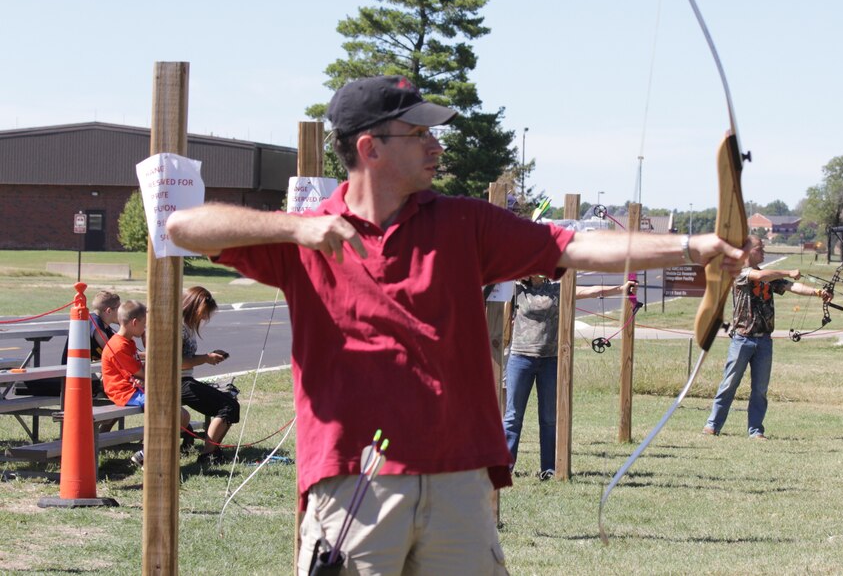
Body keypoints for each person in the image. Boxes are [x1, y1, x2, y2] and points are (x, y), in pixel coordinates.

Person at [167, 74, 747, 575]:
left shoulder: (464, 223)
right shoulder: (307, 236)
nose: (435, 144)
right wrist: (295, 229)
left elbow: (576, 247)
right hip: (355, 480)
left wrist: (694, 245)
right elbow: (184, 227)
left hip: (459, 477)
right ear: (370, 147)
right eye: (418, 133)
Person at [504, 275, 637, 481]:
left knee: (549, 418)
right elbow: (492, 280)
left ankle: (548, 468)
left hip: (550, 360)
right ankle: (505, 467)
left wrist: (621, 288)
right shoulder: (515, 288)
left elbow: (591, 291)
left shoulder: (558, 288)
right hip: (520, 358)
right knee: (513, 417)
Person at [702, 235, 832, 439]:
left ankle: (755, 430)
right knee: (729, 384)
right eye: (760, 248)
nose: (763, 252)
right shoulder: (740, 272)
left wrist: (817, 292)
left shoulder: (768, 276)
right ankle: (712, 425)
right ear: (747, 252)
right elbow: (760, 277)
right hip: (742, 339)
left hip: (764, 341)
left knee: (760, 389)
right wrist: (788, 270)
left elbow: (791, 286)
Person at [100, 300, 191, 467]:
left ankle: (153, 452)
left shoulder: (128, 342)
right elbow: (145, 374)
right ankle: (150, 455)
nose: (145, 329)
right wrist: (150, 348)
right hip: (125, 393)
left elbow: (141, 372)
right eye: (144, 325)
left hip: (135, 389)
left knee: (183, 415)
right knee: (175, 414)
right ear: (134, 322)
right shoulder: (118, 345)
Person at [179, 286, 239, 466]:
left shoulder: (187, 326)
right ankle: (208, 454)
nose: (205, 318)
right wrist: (206, 358)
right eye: (204, 313)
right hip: (176, 382)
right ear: (194, 306)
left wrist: (207, 358)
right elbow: (179, 362)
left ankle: (212, 450)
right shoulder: (179, 327)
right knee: (228, 406)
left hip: (185, 380)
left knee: (229, 403)